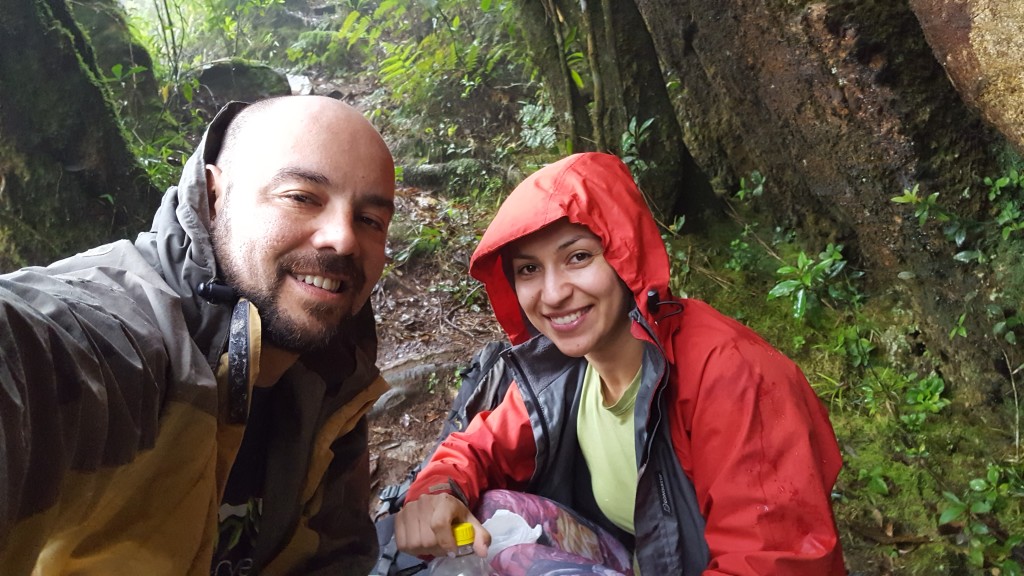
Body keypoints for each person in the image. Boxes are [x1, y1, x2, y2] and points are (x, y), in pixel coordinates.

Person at [394, 152, 846, 575]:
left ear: (625, 256)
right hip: (635, 558)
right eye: (529, 269)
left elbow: (775, 558)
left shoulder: (728, 372)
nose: (552, 294)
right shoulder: (565, 369)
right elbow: (477, 447)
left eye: (578, 257)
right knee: (492, 515)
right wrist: (435, 493)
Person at [0, 95, 396, 575]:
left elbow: (336, 556)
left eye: (370, 220)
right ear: (214, 197)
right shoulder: (119, 336)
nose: (344, 238)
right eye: (301, 197)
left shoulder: (333, 371)